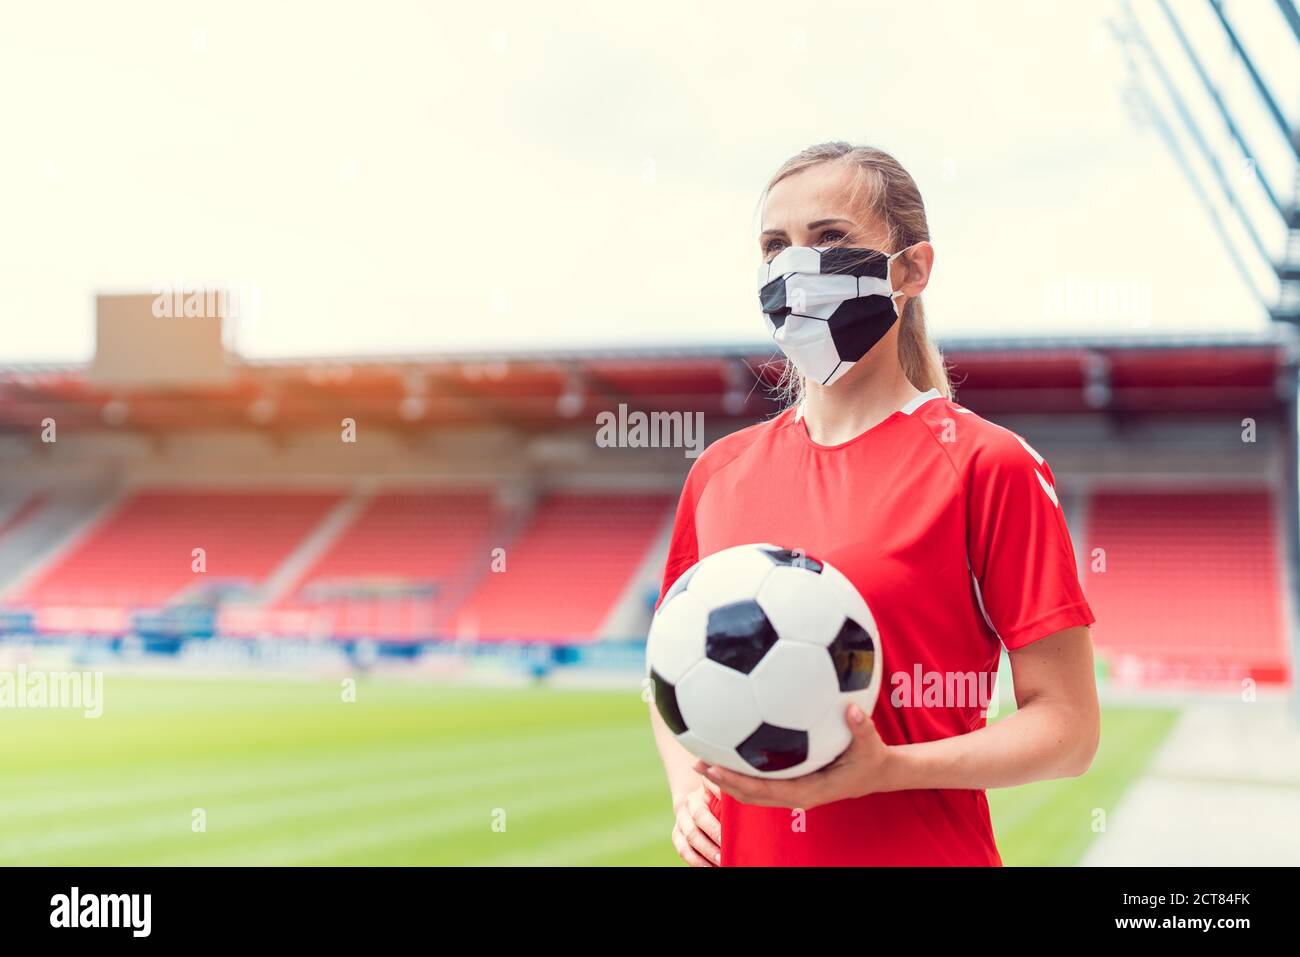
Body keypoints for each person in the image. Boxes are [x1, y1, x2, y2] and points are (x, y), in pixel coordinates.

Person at [650, 142, 1099, 867]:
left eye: (829, 239)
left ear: (912, 269)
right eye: (775, 246)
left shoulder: (988, 465)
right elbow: (670, 671)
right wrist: (686, 791)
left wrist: (891, 770)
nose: (796, 267)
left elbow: (1070, 730)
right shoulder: (717, 473)